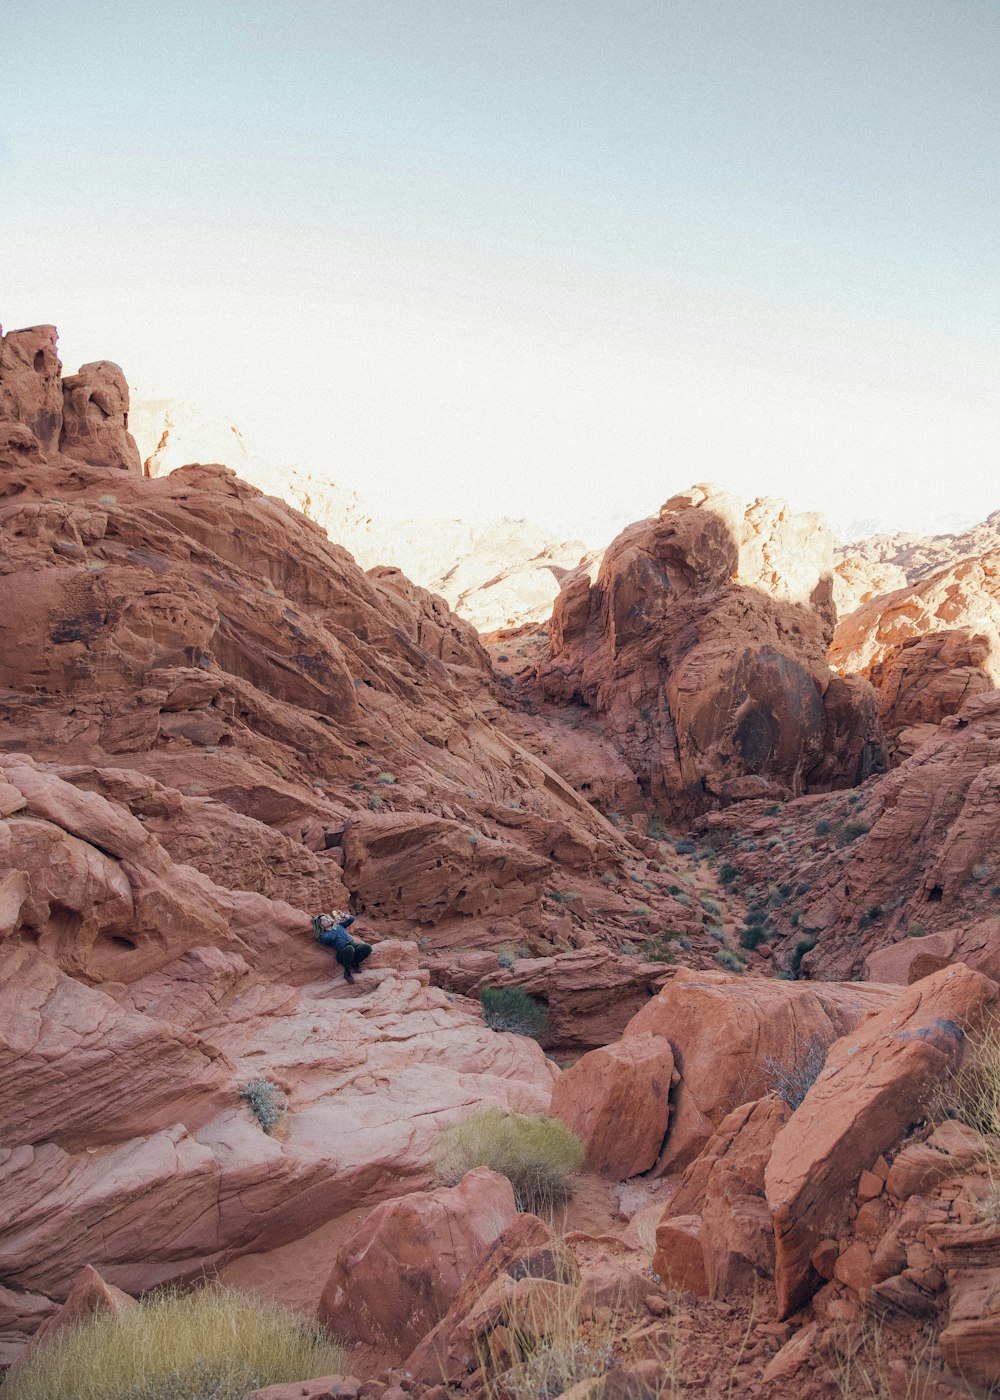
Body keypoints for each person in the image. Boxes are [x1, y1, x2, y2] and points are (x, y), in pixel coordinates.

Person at [313, 910, 373, 983]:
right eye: (324, 920)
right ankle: (347, 973)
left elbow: (352, 919)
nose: (327, 920)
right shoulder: (323, 935)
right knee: (349, 949)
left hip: (353, 946)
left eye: (327, 918)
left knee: (367, 947)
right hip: (343, 952)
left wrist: (344, 915)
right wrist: (334, 925)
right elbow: (330, 937)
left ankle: (355, 963)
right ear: (320, 925)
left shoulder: (339, 925)